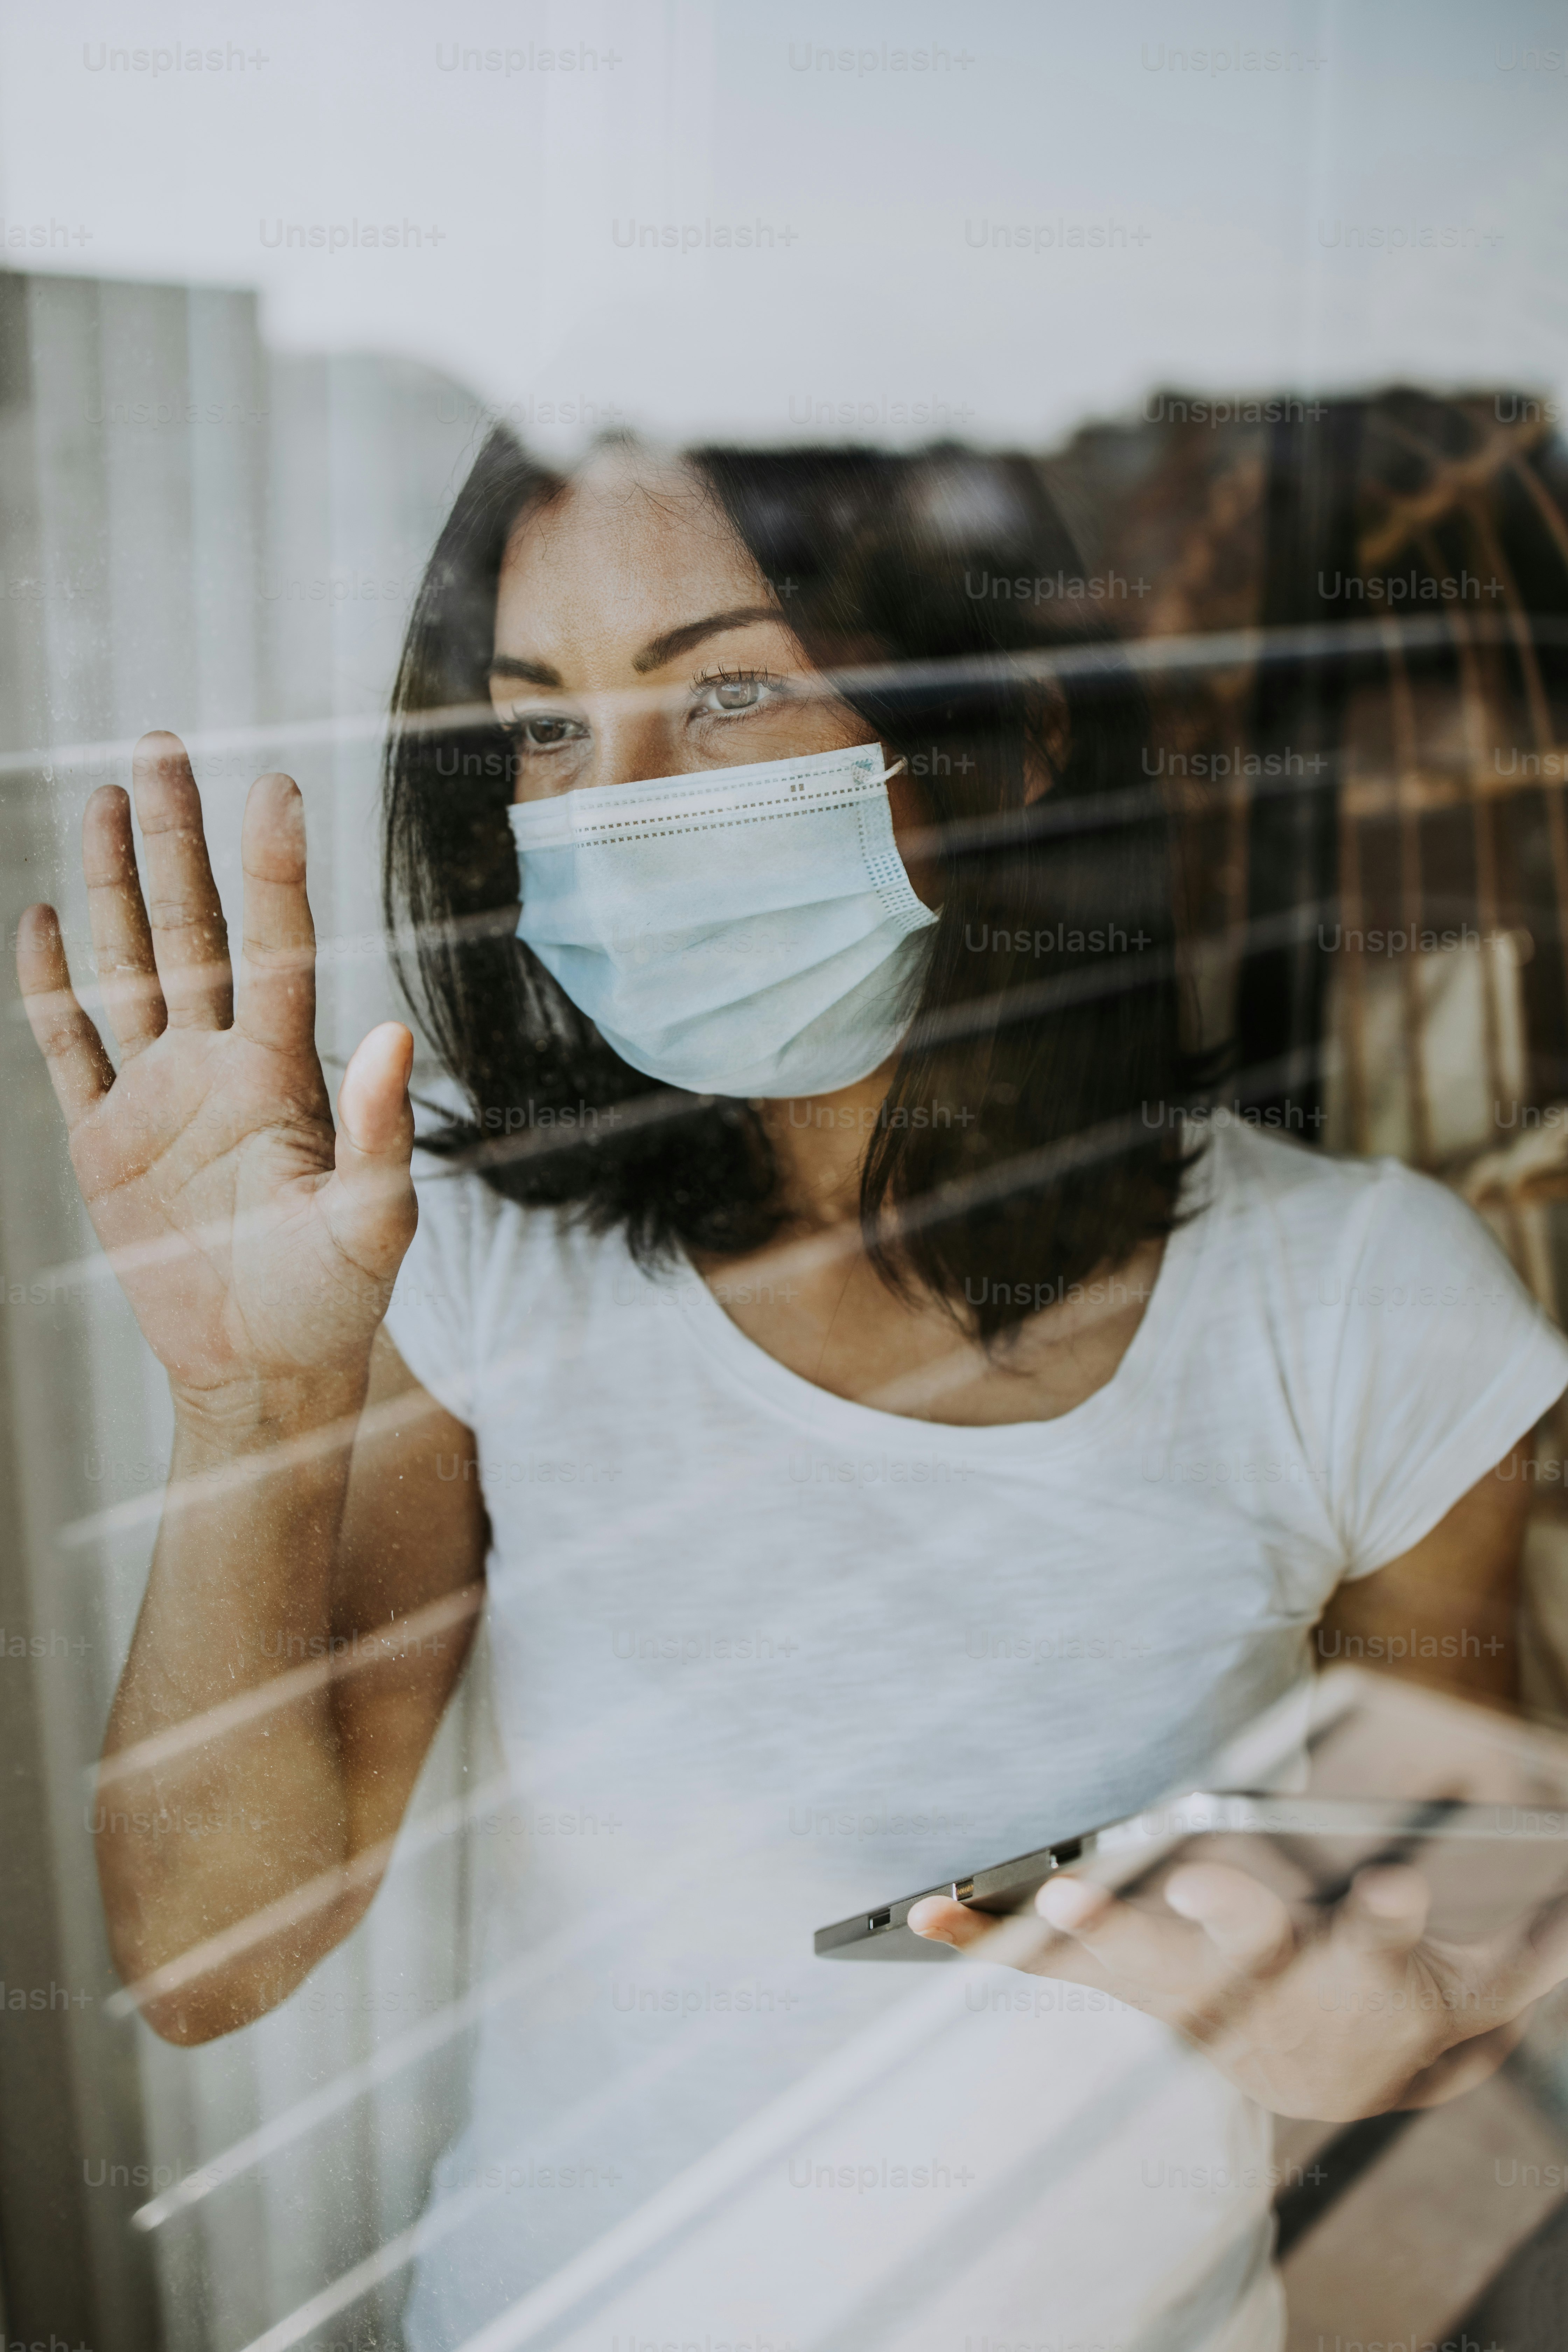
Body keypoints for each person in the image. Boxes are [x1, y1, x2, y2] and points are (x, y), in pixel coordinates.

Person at [19, 432, 1568, 2351]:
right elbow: (209, 1966)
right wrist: (247, 1412)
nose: (616, 807)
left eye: (728, 689)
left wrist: (1400, 2049)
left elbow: (1467, 1958)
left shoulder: (1361, 1306)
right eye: (547, 732)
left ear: (1006, 731)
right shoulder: (474, 1247)